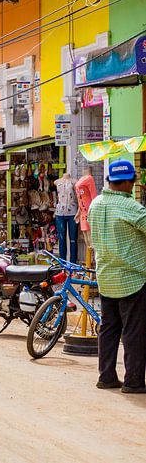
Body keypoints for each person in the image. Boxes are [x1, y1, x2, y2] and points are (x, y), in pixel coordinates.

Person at [88, 159, 146, 393]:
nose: (133, 186)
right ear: (127, 182)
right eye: (133, 181)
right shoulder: (132, 208)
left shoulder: (96, 204)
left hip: (106, 276)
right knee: (134, 332)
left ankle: (107, 376)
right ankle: (133, 381)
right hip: (133, 278)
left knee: (109, 328)